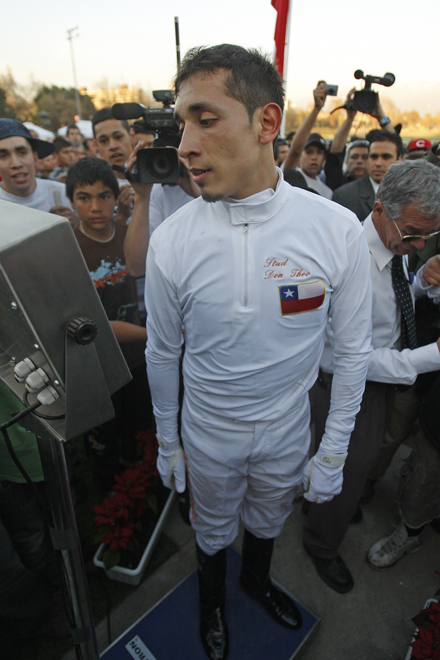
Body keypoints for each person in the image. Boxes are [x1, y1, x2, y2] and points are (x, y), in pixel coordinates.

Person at [144, 44, 372, 660]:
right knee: (212, 526)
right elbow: (162, 353)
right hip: (208, 430)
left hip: (287, 426)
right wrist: (168, 440)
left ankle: (256, 581)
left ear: (267, 122)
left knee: (270, 519)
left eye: (206, 119)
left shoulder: (335, 230)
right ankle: (212, 602)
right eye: (183, 124)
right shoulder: (172, 241)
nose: (185, 145)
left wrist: (334, 449)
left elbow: (353, 352)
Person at [304, 160, 440, 593]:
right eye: (413, 235)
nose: (419, 244)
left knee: (353, 470)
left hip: (381, 382)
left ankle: (329, 506)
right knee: (348, 467)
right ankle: (321, 544)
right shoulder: (349, 263)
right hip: (348, 387)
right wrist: (434, 355)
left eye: (428, 236)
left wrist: (421, 284)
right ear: (380, 209)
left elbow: (394, 298)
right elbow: (352, 359)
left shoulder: (392, 242)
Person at [66, 158, 151, 489]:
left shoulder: (128, 235)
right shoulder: (69, 249)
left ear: (116, 197)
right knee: (104, 439)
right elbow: (94, 324)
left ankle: (139, 492)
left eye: (103, 196)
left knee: (138, 430)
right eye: (83, 197)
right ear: (71, 201)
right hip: (98, 365)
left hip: (137, 360)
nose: (94, 207)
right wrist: (151, 334)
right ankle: (111, 500)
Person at [0, 119, 75, 222]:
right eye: (3, 156)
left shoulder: (62, 193)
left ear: (35, 157)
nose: (16, 164)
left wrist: (76, 225)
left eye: (22, 153)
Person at [332, 130, 403, 221]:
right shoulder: (344, 196)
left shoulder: (409, 194)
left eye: (386, 157)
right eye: (373, 156)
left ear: (399, 160)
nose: (378, 163)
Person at [282, 81, 332, 198]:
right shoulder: (289, 177)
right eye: (309, 152)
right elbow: (295, 151)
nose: (314, 157)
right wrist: (316, 109)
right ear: (301, 155)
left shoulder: (328, 193)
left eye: (319, 152)